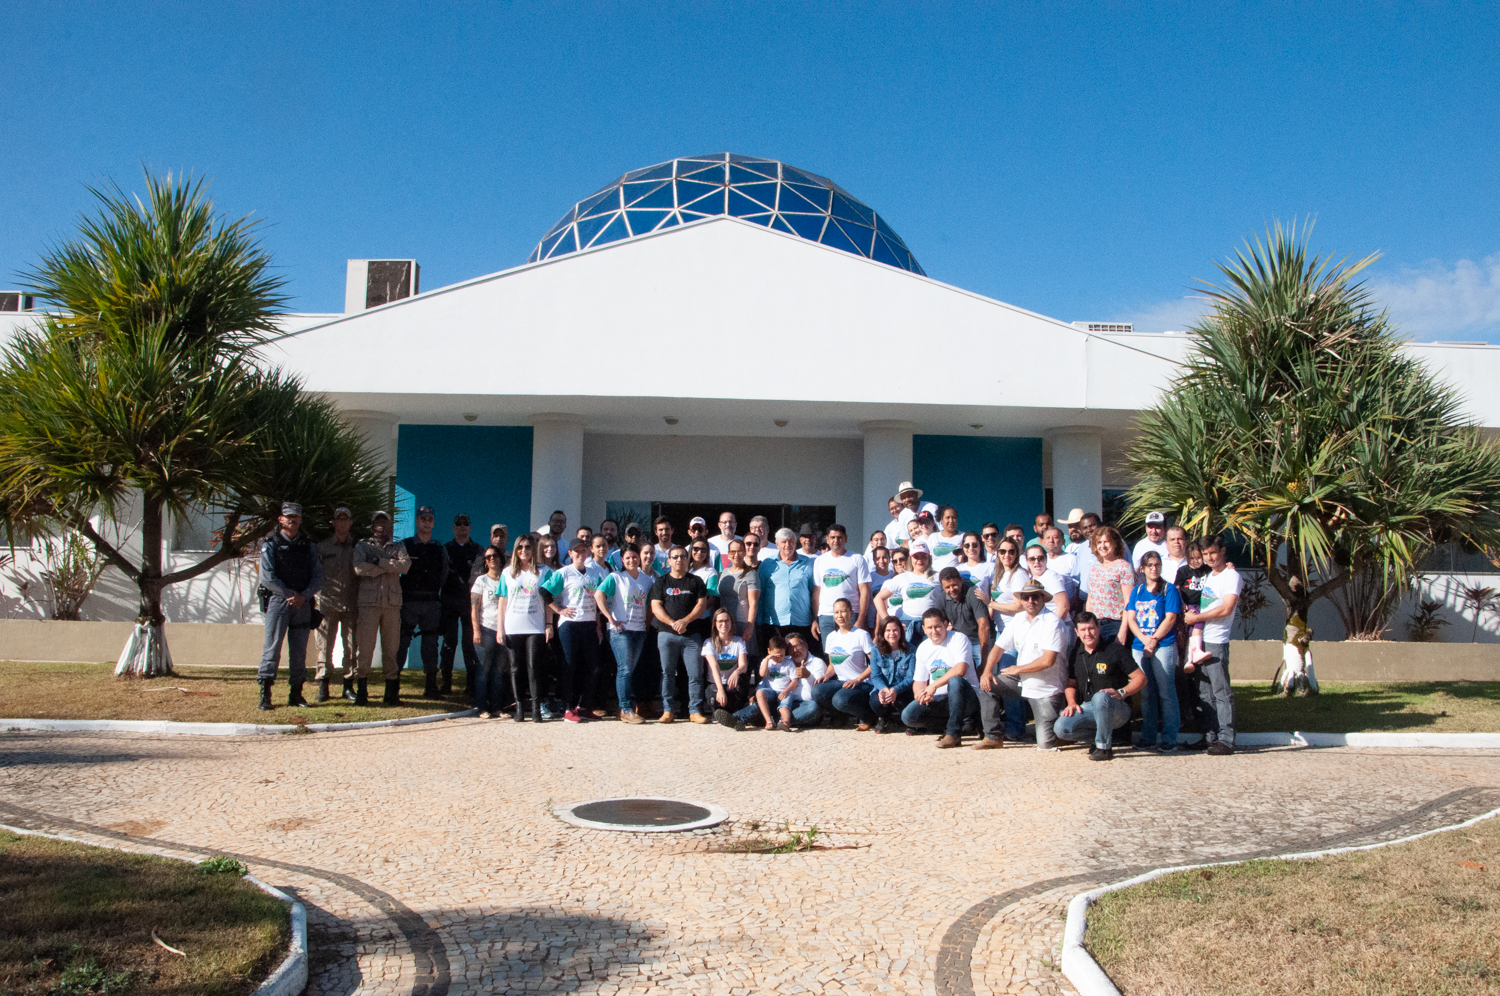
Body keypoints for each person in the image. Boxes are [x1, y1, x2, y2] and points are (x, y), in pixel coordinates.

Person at [975, 580, 1069, 750]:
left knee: (1046, 743)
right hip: (1022, 682)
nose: (1030, 601)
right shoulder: (1018, 619)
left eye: (1035, 597)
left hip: (1046, 688)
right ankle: (993, 737)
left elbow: (1048, 660)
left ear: (1043, 598)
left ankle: (1066, 726)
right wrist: (987, 671)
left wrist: (1018, 669)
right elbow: (998, 647)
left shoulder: (1053, 622)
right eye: (1026, 597)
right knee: (987, 685)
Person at [257, 502, 324, 710]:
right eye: (288, 516)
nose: (292, 520)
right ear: (280, 519)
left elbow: (318, 575)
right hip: (278, 601)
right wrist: (288, 594)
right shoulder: (270, 543)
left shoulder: (308, 545)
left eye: (296, 516)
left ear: (300, 520)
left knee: (299, 652)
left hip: (302, 603)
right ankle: (265, 694)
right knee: (272, 647)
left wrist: (304, 595)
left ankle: (296, 694)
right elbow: (267, 576)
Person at [1054, 611, 1145, 760]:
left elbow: (1140, 678)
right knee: (1061, 728)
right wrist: (1071, 702)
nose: (1087, 633)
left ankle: (1104, 748)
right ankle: (1108, 737)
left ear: (1098, 627)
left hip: (1117, 708)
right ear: (1076, 632)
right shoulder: (1075, 654)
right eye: (1083, 630)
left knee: (1101, 697)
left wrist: (1122, 692)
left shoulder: (1115, 650)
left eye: (1091, 628)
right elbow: (1071, 683)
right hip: (1090, 707)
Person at [1182, 534, 1241, 755]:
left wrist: (1197, 618)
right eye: (1205, 554)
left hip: (1217, 641)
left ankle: (1226, 739)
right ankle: (1210, 737)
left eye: (1213, 553)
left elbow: (1226, 608)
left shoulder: (1231, 576)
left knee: (1221, 691)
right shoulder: (1211, 576)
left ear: (1223, 551)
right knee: (1204, 692)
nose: (1209, 557)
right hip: (1201, 639)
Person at [540, 538, 608, 722]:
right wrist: (559, 610)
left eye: (584, 550)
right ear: (570, 554)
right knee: (569, 666)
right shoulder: (564, 573)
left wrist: (599, 625)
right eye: (576, 551)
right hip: (569, 625)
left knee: (594, 667)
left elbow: (599, 599)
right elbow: (545, 592)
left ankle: (584, 706)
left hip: (589, 624)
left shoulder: (594, 573)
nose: (581, 554)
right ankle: (568, 708)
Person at [1124, 550, 1183, 752]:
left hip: (1163, 645)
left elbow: (1171, 618)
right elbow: (1131, 618)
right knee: (1147, 692)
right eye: (1150, 565)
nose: (1154, 568)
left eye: (1157, 564)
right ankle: (1148, 736)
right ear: (1142, 569)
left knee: (1166, 691)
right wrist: (1144, 639)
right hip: (1140, 647)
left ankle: (1169, 737)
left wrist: (1154, 639)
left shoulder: (1169, 590)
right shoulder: (1138, 591)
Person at [901, 608, 981, 747]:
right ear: (924, 629)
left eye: (938, 626)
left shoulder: (959, 638)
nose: (934, 631)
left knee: (955, 681)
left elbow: (960, 669)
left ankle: (953, 734)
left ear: (945, 624)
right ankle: (955, 724)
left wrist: (933, 686)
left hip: (965, 697)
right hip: (939, 699)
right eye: (930, 627)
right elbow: (919, 681)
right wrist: (920, 695)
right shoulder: (923, 647)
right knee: (908, 716)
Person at [353, 510, 410, 705]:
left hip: (392, 605)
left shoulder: (398, 545)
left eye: (385, 522)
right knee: (365, 648)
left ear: (390, 526)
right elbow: (359, 568)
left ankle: (391, 692)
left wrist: (379, 562)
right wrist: (387, 567)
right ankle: (362, 690)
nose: (381, 526)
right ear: (372, 525)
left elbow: (405, 566)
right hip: (369, 604)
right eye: (377, 522)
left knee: (391, 648)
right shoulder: (363, 545)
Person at [593, 544, 654, 724]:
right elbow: (599, 595)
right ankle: (627, 709)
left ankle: (624, 707)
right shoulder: (616, 577)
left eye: (634, 556)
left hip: (639, 630)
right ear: (622, 559)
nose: (631, 560)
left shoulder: (647, 580)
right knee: (625, 669)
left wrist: (647, 625)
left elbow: (650, 605)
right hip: (621, 631)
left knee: (630, 670)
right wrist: (609, 618)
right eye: (627, 557)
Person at [650, 545, 711, 723]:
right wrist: (672, 623)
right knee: (667, 673)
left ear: (687, 559)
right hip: (666, 634)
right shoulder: (661, 582)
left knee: (695, 674)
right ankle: (668, 710)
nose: (679, 560)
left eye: (683, 556)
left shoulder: (696, 581)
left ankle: (694, 711)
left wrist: (685, 621)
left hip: (691, 635)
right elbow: (655, 606)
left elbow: (701, 605)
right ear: (668, 561)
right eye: (675, 557)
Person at [496, 533, 551, 722]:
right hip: (512, 626)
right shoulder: (506, 573)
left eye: (528, 547)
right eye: (520, 547)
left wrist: (549, 624)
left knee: (534, 666)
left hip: (535, 626)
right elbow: (502, 601)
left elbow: (548, 600)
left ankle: (536, 707)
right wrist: (499, 628)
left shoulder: (544, 571)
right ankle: (519, 706)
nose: (524, 551)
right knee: (515, 668)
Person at [397, 505, 450, 699]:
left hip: (430, 602)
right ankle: (393, 685)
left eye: (429, 519)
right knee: (401, 643)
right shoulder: (405, 545)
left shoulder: (439, 548)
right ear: (416, 521)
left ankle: (430, 685)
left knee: (430, 645)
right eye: (423, 519)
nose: (426, 522)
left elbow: (443, 575)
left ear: (433, 523)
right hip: (408, 601)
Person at [315, 507, 359, 703]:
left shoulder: (358, 547)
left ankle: (348, 686)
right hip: (328, 603)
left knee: (350, 647)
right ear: (333, 522)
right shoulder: (323, 547)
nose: (342, 522)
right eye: (338, 519)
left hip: (351, 602)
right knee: (325, 646)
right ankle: (324, 685)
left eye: (345, 519)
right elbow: (315, 575)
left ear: (350, 522)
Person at [439, 513, 483, 698]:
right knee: (449, 643)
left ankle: (471, 685)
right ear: (453, 527)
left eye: (466, 523)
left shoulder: (478, 550)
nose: (462, 526)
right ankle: (445, 683)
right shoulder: (445, 549)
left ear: (470, 527)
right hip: (449, 601)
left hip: (470, 603)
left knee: (469, 644)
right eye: (459, 523)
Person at [815, 598, 875, 725]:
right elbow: (832, 665)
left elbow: (874, 663)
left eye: (843, 611)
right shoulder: (831, 637)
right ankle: (840, 716)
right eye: (836, 612)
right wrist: (826, 676)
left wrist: (858, 679)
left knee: (839, 700)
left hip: (861, 682)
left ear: (851, 613)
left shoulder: (861, 635)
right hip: (841, 681)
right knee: (817, 691)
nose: (840, 616)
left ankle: (869, 716)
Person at [757, 527, 817, 650]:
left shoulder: (808, 563)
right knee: (776, 659)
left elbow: (814, 593)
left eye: (791, 541)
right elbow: (760, 594)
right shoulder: (767, 564)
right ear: (777, 544)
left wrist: (815, 619)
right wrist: (759, 621)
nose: (787, 545)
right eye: (784, 542)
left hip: (801, 621)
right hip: (773, 622)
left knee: (798, 658)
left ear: (796, 543)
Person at [812, 524, 871, 647]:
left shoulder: (857, 559)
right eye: (832, 537)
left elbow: (864, 590)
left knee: (852, 653)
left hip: (850, 614)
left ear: (846, 539)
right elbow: (817, 591)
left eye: (839, 538)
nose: (836, 541)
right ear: (827, 539)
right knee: (830, 655)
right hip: (826, 616)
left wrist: (860, 619)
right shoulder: (819, 561)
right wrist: (815, 619)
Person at [739, 635, 813, 731]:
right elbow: (762, 674)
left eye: (781, 656)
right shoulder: (767, 662)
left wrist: (786, 691)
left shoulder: (788, 663)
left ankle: (786, 722)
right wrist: (767, 659)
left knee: (784, 706)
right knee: (759, 693)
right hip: (771, 691)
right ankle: (768, 721)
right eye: (776, 656)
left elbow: (794, 681)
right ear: (769, 651)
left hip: (784, 691)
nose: (778, 659)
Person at [874, 540, 940, 642]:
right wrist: (888, 620)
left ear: (929, 557)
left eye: (923, 555)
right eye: (916, 556)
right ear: (910, 558)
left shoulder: (938, 577)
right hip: (908, 625)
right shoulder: (902, 577)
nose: (920, 559)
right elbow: (878, 598)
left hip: (932, 625)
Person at [469, 545, 507, 718]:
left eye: (495, 555)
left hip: (504, 630)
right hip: (486, 629)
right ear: (484, 561)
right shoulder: (481, 581)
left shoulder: (507, 579)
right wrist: (476, 630)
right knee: (484, 670)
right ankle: (482, 707)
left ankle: (498, 707)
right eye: (488, 557)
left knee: (499, 671)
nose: (492, 559)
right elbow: (475, 609)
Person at [933, 566, 992, 673]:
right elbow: (938, 624)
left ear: (961, 580)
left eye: (954, 585)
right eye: (947, 587)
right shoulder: (941, 599)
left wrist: (984, 662)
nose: (951, 589)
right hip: (960, 642)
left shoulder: (973, 594)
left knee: (983, 674)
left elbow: (984, 626)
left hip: (979, 641)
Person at [1085, 525, 1136, 645]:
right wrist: (1088, 625)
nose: (1102, 546)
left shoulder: (1123, 566)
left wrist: (1123, 630)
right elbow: (1090, 599)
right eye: (1099, 542)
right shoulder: (1094, 569)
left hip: (1115, 624)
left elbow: (1129, 601)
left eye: (1106, 542)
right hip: (1096, 625)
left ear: (1115, 544)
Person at [705, 608, 753, 728]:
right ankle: (729, 716)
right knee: (714, 697)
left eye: (727, 621)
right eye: (720, 621)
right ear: (715, 624)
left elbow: (743, 665)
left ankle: (734, 716)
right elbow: (714, 667)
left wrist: (736, 672)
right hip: (716, 684)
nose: (724, 624)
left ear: (732, 623)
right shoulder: (709, 643)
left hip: (732, 684)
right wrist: (720, 689)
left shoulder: (739, 642)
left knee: (742, 680)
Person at [867, 618, 916, 733]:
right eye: (888, 630)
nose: (891, 634)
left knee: (903, 702)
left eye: (895, 630)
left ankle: (909, 722)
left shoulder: (911, 650)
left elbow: (910, 677)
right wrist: (883, 689)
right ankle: (883, 718)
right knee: (876, 701)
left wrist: (895, 690)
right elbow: (875, 675)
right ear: (883, 633)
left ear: (901, 632)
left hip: (903, 688)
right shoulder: (875, 650)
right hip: (884, 687)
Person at [715, 538, 760, 648]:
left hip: (741, 622)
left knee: (744, 658)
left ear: (744, 553)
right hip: (724, 623)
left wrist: (750, 626)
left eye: (739, 551)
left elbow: (753, 603)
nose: (736, 555)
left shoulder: (751, 574)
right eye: (732, 552)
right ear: (728, 554)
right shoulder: (725, 572)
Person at [1175, 540, 1213, 668]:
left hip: (1203, 604)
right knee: (1198, 622)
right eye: (1192, 558)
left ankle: (1189, 660)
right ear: (1186, 558)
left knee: (1193, 629)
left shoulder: (1207, 570)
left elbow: (1220, 571)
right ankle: (1195, 652)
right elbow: (1177, 588)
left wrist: (1229, 565)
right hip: (1189, 604)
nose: (1195, 561)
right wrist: (1183, 604)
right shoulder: (1183, 571)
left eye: (1198, 558)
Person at [1022, 544, 1073, 621]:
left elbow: (1063, 606)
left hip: (1059, 624)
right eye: (1032, 559)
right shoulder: (1031, 579)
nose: (1037, 562)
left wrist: (1052, 626)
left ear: (1046, 559)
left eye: (1040, 558)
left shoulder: (1051, 577)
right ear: (1027, 562)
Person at [1042, 526, 1080, 604]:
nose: (1051, 541)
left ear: (1063, 541)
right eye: (1048, 538)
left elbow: (1077, 587)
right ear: (1044, 542)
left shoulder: (1071, 559)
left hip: (1067, 607)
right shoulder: (1040, 560)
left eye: (1055, 537)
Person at [866, 546, 895, 630]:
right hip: (872, 623)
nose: (881, 561)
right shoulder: (869, 578)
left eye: (884, 557)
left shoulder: (894, 577)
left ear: (889, 559)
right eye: (878, 558)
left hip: (892, 623)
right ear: (874, 561)